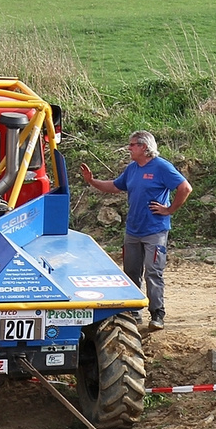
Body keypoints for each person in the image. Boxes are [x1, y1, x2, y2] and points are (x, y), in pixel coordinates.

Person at [75, 130, 191, 332]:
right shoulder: (132, 169)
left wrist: (169, 209)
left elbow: (185, 188)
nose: (129, 148)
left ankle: (157, 315)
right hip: (133, 230)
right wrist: (92, 181)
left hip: (155, 230)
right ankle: (134, 313)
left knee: (153, 272)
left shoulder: (161, 167)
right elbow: (115, 186)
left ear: (144, 147)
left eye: (132, 145)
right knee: (131, 273)